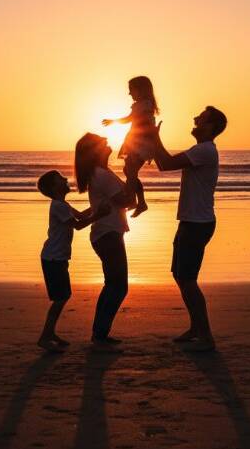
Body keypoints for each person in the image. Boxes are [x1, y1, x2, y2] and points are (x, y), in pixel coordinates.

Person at [153, 106, 228, 352]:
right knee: (180, 275)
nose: (195, 120)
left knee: (187, 278)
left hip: (197, 224)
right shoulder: (203, 150)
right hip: (192, 221)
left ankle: (204, 333)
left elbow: (164, 163)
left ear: (211, 127)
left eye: (202, 119)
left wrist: (153, 137)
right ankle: (197, 327)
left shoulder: (204, 150)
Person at [74, 133, 136, 352]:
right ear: (94, 151)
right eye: (103, 143)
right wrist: (133, 177)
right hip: (108, 234)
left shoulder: (100, 173)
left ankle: (100, 333)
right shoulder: (102, 174)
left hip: (107, 233)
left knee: (113, 285)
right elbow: (127, 200)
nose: (108, 143)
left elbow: (106, 203)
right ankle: (99, 334)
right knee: (118, 286)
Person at [36, 170, 109, 352]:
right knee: (60, 298)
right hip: (53, 258)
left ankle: (50, 333)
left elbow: (82, 216)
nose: (66, 179)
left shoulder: (62, 204)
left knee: (62, 297)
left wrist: (97, 206)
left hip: (56, 257)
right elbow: (78, 225)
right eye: (60, 179)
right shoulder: (59, 206)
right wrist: (100, 214)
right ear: (54, 187)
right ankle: (45, 336)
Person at [102, 75, 159, 218]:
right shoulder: (143, 104)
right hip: (136, 140)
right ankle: (139, 202)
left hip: (140, 142)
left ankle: (132, 199)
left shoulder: (144, 104)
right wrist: (114, 121)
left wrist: (113, 121)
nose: (129, 93)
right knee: (129, 170)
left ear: (140, 90)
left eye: (131, 90)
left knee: (131, 170)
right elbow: (131, 119)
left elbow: (141, 120)